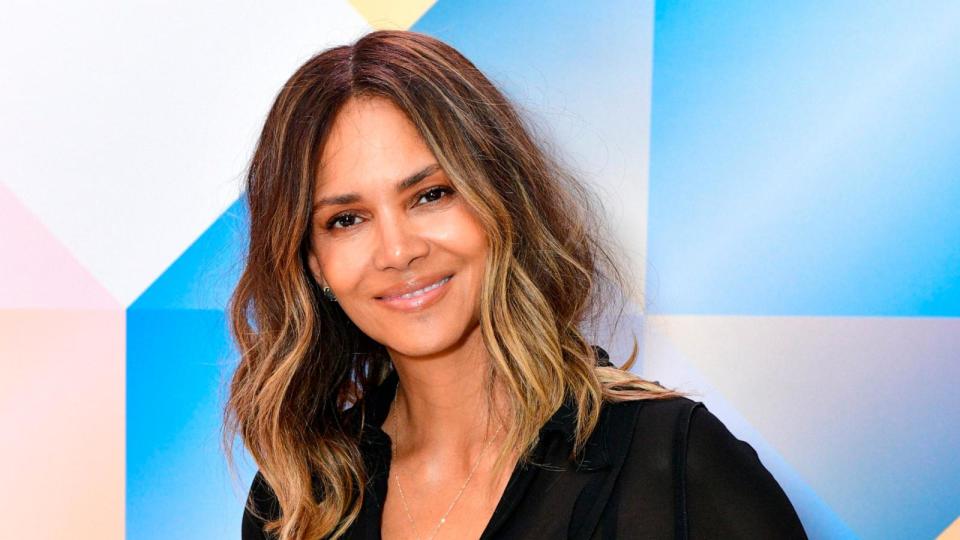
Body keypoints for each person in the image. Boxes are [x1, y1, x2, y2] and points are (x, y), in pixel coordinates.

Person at [224, 30, 807, 540]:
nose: (398, 250)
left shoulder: (675, 462)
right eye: (345, 220)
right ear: (314, 264)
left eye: (431, 194)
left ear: (500, 201)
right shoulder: (298, 501)